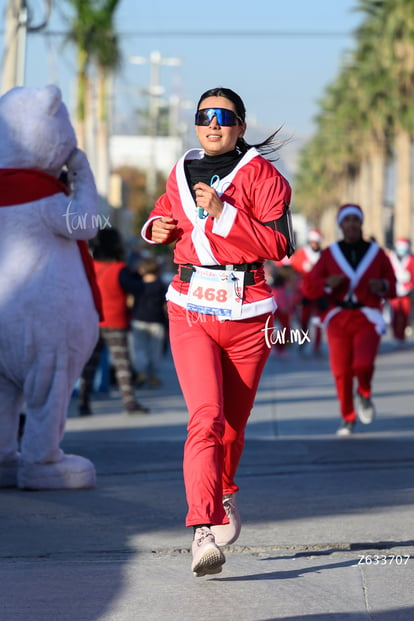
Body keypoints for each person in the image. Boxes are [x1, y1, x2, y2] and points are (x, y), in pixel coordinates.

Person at [141, 86, 294, 577]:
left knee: (232, 426)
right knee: (204, 418)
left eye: (224, 117)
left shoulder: (264, 177)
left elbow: (280, 243)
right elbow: (164, 212)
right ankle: (202, 530)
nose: (213, 124)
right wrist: (155, 229)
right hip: (190, 308)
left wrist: (225, 213)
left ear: (241, 126)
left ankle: (224, 490)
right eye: (204, 115)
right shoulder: (180, 170)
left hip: (249, 315)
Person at [303, 204, 396, 436]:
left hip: (367, 316)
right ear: (341, 225)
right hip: (338, 318)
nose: (352, 224)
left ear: (361, 223)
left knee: (363, 364)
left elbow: (393, 286)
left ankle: (364, 392)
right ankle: (348, 416)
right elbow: (309, 286)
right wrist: (327, 284)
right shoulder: (329, 254)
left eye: (356, 219)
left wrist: (382, 286)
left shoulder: (377, 253)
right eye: (347, 220)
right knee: (341, 371)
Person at [78, 228, 149, 416]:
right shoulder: (120, 270)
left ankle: (84, 401)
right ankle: (129, 403)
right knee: (122, 364)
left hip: (93, 321)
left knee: (89, 365)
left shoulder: (90, 267)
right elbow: (138, 288)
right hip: (115, 322)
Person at [130, 257, 168, 387]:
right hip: (157, 321)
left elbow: (129, 303)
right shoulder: (161, 285)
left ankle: (141, 373)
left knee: (139, 349)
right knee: (155, 350)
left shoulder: (137, 285)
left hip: (139, 319)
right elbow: (165, 306)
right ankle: (153, 376)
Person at [290, 229, 324, 354]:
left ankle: (317, 345)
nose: (314, 244)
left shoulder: (324, 254)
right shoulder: (302, 253)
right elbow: (295, 265)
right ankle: (303, 341)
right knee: (304, 319)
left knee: (319, 320)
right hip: (306, 292)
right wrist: (303, 266)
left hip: (320, 292)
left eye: (316, 242)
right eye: (313, 242)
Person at [387, 238, 414, 344]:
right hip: (393, 289)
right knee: (394, 312)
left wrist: (410, 281)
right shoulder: (390, 258)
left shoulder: (410, 259)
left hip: (407, 290)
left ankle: (402, 335)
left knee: (405, 313)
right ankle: (395, 334)